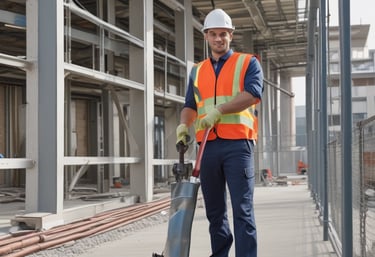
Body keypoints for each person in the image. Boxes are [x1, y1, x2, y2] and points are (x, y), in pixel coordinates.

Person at [175, 8, 263, 257]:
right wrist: (183, 125)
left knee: (242, 211)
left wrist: (220, 110)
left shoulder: (248, 62)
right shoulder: (197, 70)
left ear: (231, 35)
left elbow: (253, 94)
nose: (218, 39)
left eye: (223, 34)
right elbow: (190, 106)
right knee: (215, 213)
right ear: (205, 36)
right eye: (213, 34)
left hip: (238, 146)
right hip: (208, 147)